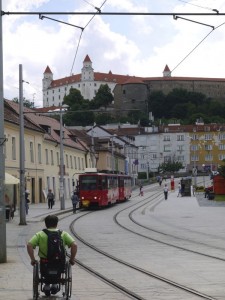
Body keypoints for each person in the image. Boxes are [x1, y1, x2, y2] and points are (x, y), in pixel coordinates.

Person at [27, 215, 77, 297]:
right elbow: (74, 245)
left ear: (46, 224)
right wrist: (72, 259)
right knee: (60, 268)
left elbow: (29, 245)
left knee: (44, 268)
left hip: (45, 262)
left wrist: (32, 259)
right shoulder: (63, 234)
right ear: (56, 224)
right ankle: (54, 285)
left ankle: (46, 286)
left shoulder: (40, 234)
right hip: (60, 262)